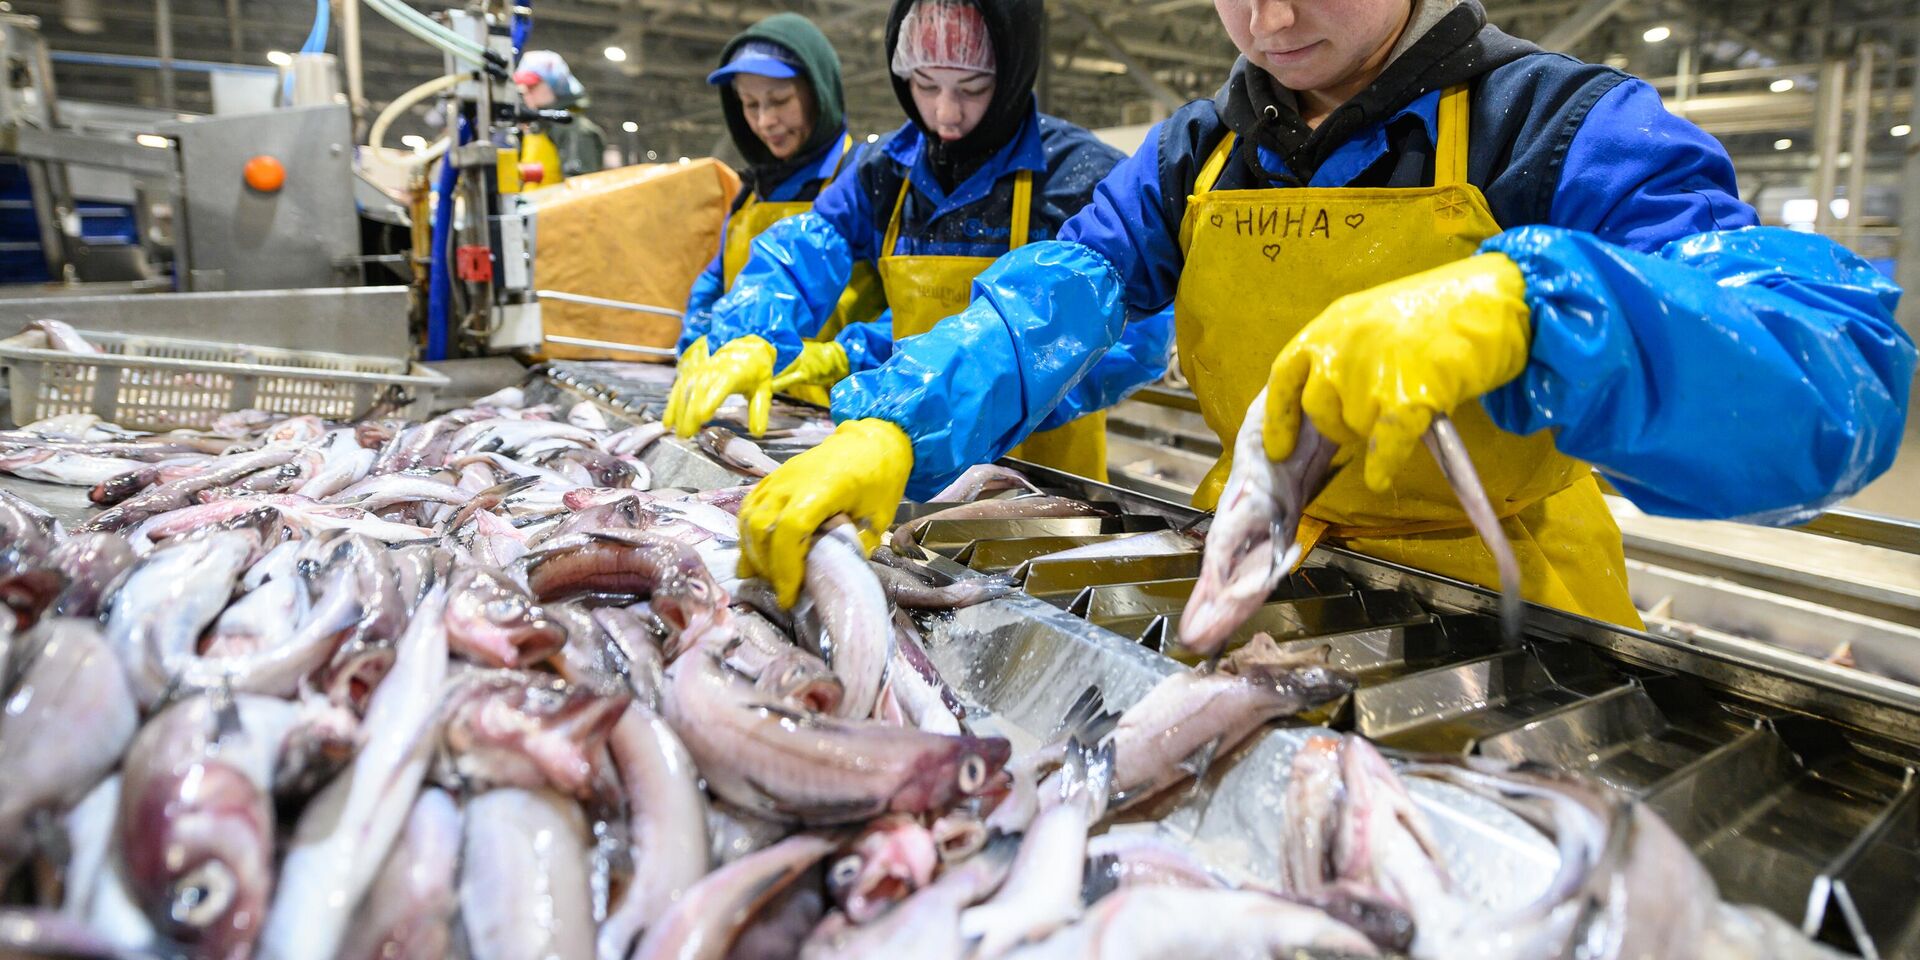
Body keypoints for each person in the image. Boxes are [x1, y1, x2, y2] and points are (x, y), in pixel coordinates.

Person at [730, 0, 1915, 614]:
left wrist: (1539, 303)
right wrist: (896, 419)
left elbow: (1839, 368)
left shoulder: (1560, 130)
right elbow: (1055, 301)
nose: (1274, 20)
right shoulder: (1196, 153)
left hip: (1506, 614)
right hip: (1246, 575)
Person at [664, 0, 1174, 476]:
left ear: (1015, 71)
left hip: (1039, 482)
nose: (946, 114)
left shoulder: (1077, 175)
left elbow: (1141, 336)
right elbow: (805, 248)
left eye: (972, 88)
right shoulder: (885, 171)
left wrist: (991, 396)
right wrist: (750, 331)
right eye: (925, 86)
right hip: (894, 463)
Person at [678, 14, 885, 406]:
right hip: (754, 411)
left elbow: (914, 316)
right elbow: (714, 282)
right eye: (749, 104)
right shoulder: (752, 192)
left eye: (779, 101)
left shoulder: (864, 182)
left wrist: (837, 357)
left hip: (843, 413)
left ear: (819, 92)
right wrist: (698, 345)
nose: (764, 121)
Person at [513, 51, 606, 178]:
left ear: (556, 84)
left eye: (532, 86)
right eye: (523, 88)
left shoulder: (575, 130)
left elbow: (579, 189)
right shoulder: (539, 129)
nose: (526, 93)